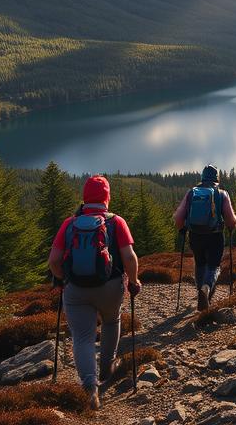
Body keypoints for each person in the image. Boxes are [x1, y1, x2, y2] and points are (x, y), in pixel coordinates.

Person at [48, 175, 140, 409]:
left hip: (76, 290)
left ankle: (90, 385)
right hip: (110, 287)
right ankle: (107, 368)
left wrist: (63, 280)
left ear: (85, 197)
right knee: (111, 321)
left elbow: (54, 261)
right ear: (107, 197)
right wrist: (134, 280)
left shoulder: (70, 224)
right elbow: (129, 256)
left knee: (82, 337)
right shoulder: (116, 222)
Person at [173, 164, 236, 311]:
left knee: (200, 263)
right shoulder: (222, 194)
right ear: (217, 179)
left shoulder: (191, 193)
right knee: (214, 266)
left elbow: (178, 218)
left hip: (195, 235)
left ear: (202, 178)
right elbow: (231, 221)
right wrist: (233, 225)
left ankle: (200, 292)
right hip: (215, 235)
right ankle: (206, 288)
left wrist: (182, 229)